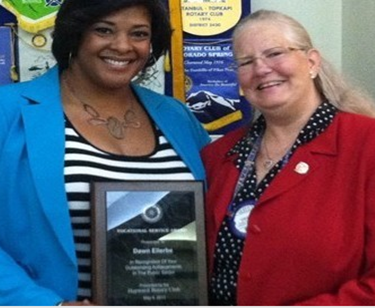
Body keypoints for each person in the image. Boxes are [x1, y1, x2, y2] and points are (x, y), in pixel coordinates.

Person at [0, 0, 210, 305]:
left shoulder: (177, 117)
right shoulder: (7, 111)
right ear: (75, 33)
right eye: (104, 30)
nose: (123, 46)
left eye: (139, 34)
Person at [201, 9, 375, 306]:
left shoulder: (366, 144)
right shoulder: (219, 156)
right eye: (246, 62)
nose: (262, 69)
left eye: (274, 53)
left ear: (311, 62)